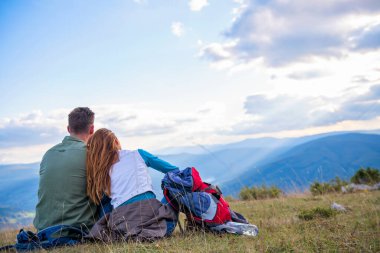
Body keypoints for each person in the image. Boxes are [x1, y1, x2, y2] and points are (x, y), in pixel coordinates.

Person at [85, 128, 178, 242]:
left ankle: (133, 234)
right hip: (156, 224)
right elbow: (173, 170)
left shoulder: (100, 172)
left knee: (105, 201)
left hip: (121, 226)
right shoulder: (138, 154)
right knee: (175, 191)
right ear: (116, 142)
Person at [33, 107, 98, 232]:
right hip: (77, 229)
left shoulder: (48, 154)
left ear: (68, 129)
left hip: (44, 230)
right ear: (92, 129)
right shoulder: (91, 154)